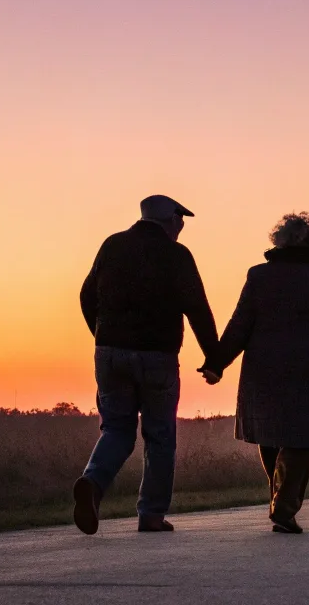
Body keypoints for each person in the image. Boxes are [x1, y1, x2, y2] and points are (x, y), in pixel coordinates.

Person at [202, 212, 309, 533]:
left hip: (264, 372)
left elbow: (239, 326)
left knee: (272, 435)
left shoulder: (258, 277)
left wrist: (217, 363)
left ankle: (281, 502)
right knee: (302, 439)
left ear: (278, 241)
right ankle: (284, 505)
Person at [72, 194, 219, 534]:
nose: (181, 226)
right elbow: (197, 307)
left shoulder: (112, 246)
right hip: (158, 356)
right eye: (180, 220)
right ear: (170, 220)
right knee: (160, 435)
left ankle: (92, 485)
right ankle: (151, 514)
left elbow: (85, 295)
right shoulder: (176, 255)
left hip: (110, 353)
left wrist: (101, 334)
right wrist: (213, 358)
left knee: (117, 430)